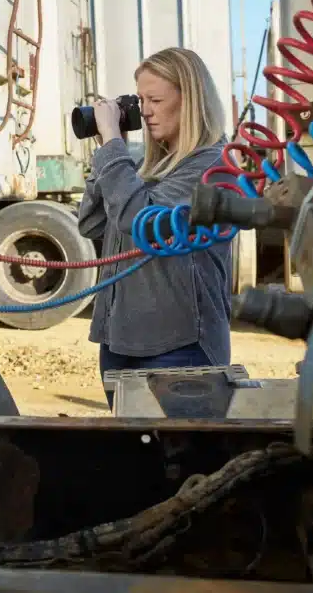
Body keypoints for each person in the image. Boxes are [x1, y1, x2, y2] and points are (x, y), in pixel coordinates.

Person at [77, 47, 232, 410]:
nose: (144, 111)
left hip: (179, 347)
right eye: (140, 100)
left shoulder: (212, 166)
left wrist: (114, 145)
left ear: (190, 100)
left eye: (156, 99)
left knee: (180, 461)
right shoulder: (150, 167)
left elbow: (139, 220)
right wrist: (107, 151)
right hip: (119, 344)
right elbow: (92, 223)